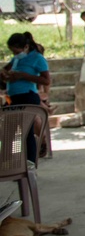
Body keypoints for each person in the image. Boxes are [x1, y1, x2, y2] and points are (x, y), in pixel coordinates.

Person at [1, 32, 51, 162]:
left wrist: (24, 76)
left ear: (25, 47)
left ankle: (30, 164)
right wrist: (5, 75)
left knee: (26, 132)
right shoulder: (16, 59)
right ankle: (8, 163)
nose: (14, 54)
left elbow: (46, 80)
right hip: (13, 97)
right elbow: (5, 69)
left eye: (16, 50)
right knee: (8, 131)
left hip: (28, 96)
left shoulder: (37, 58)